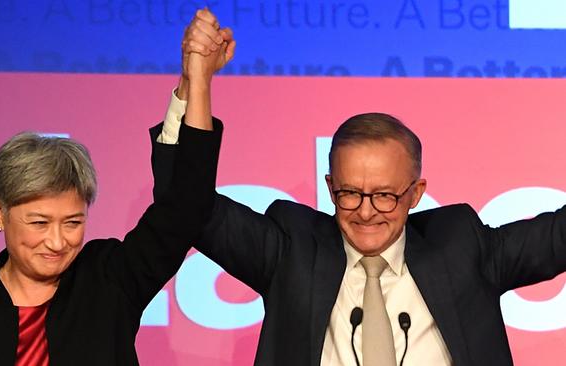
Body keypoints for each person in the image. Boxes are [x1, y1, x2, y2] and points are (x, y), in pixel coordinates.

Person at [156, 9, 566, 366]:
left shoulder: (460, 245)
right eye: (349, 193)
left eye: (385, 195)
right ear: (330, 186)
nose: (366, 211)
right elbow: (184, 203)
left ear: (416, 192)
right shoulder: (291, 251)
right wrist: (197, 83)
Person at [0, 20, 225, 365]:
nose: (57, 241)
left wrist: (195, 81)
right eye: (39, 223)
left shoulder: (109, 281)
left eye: (73, 222)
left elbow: (185, 208)